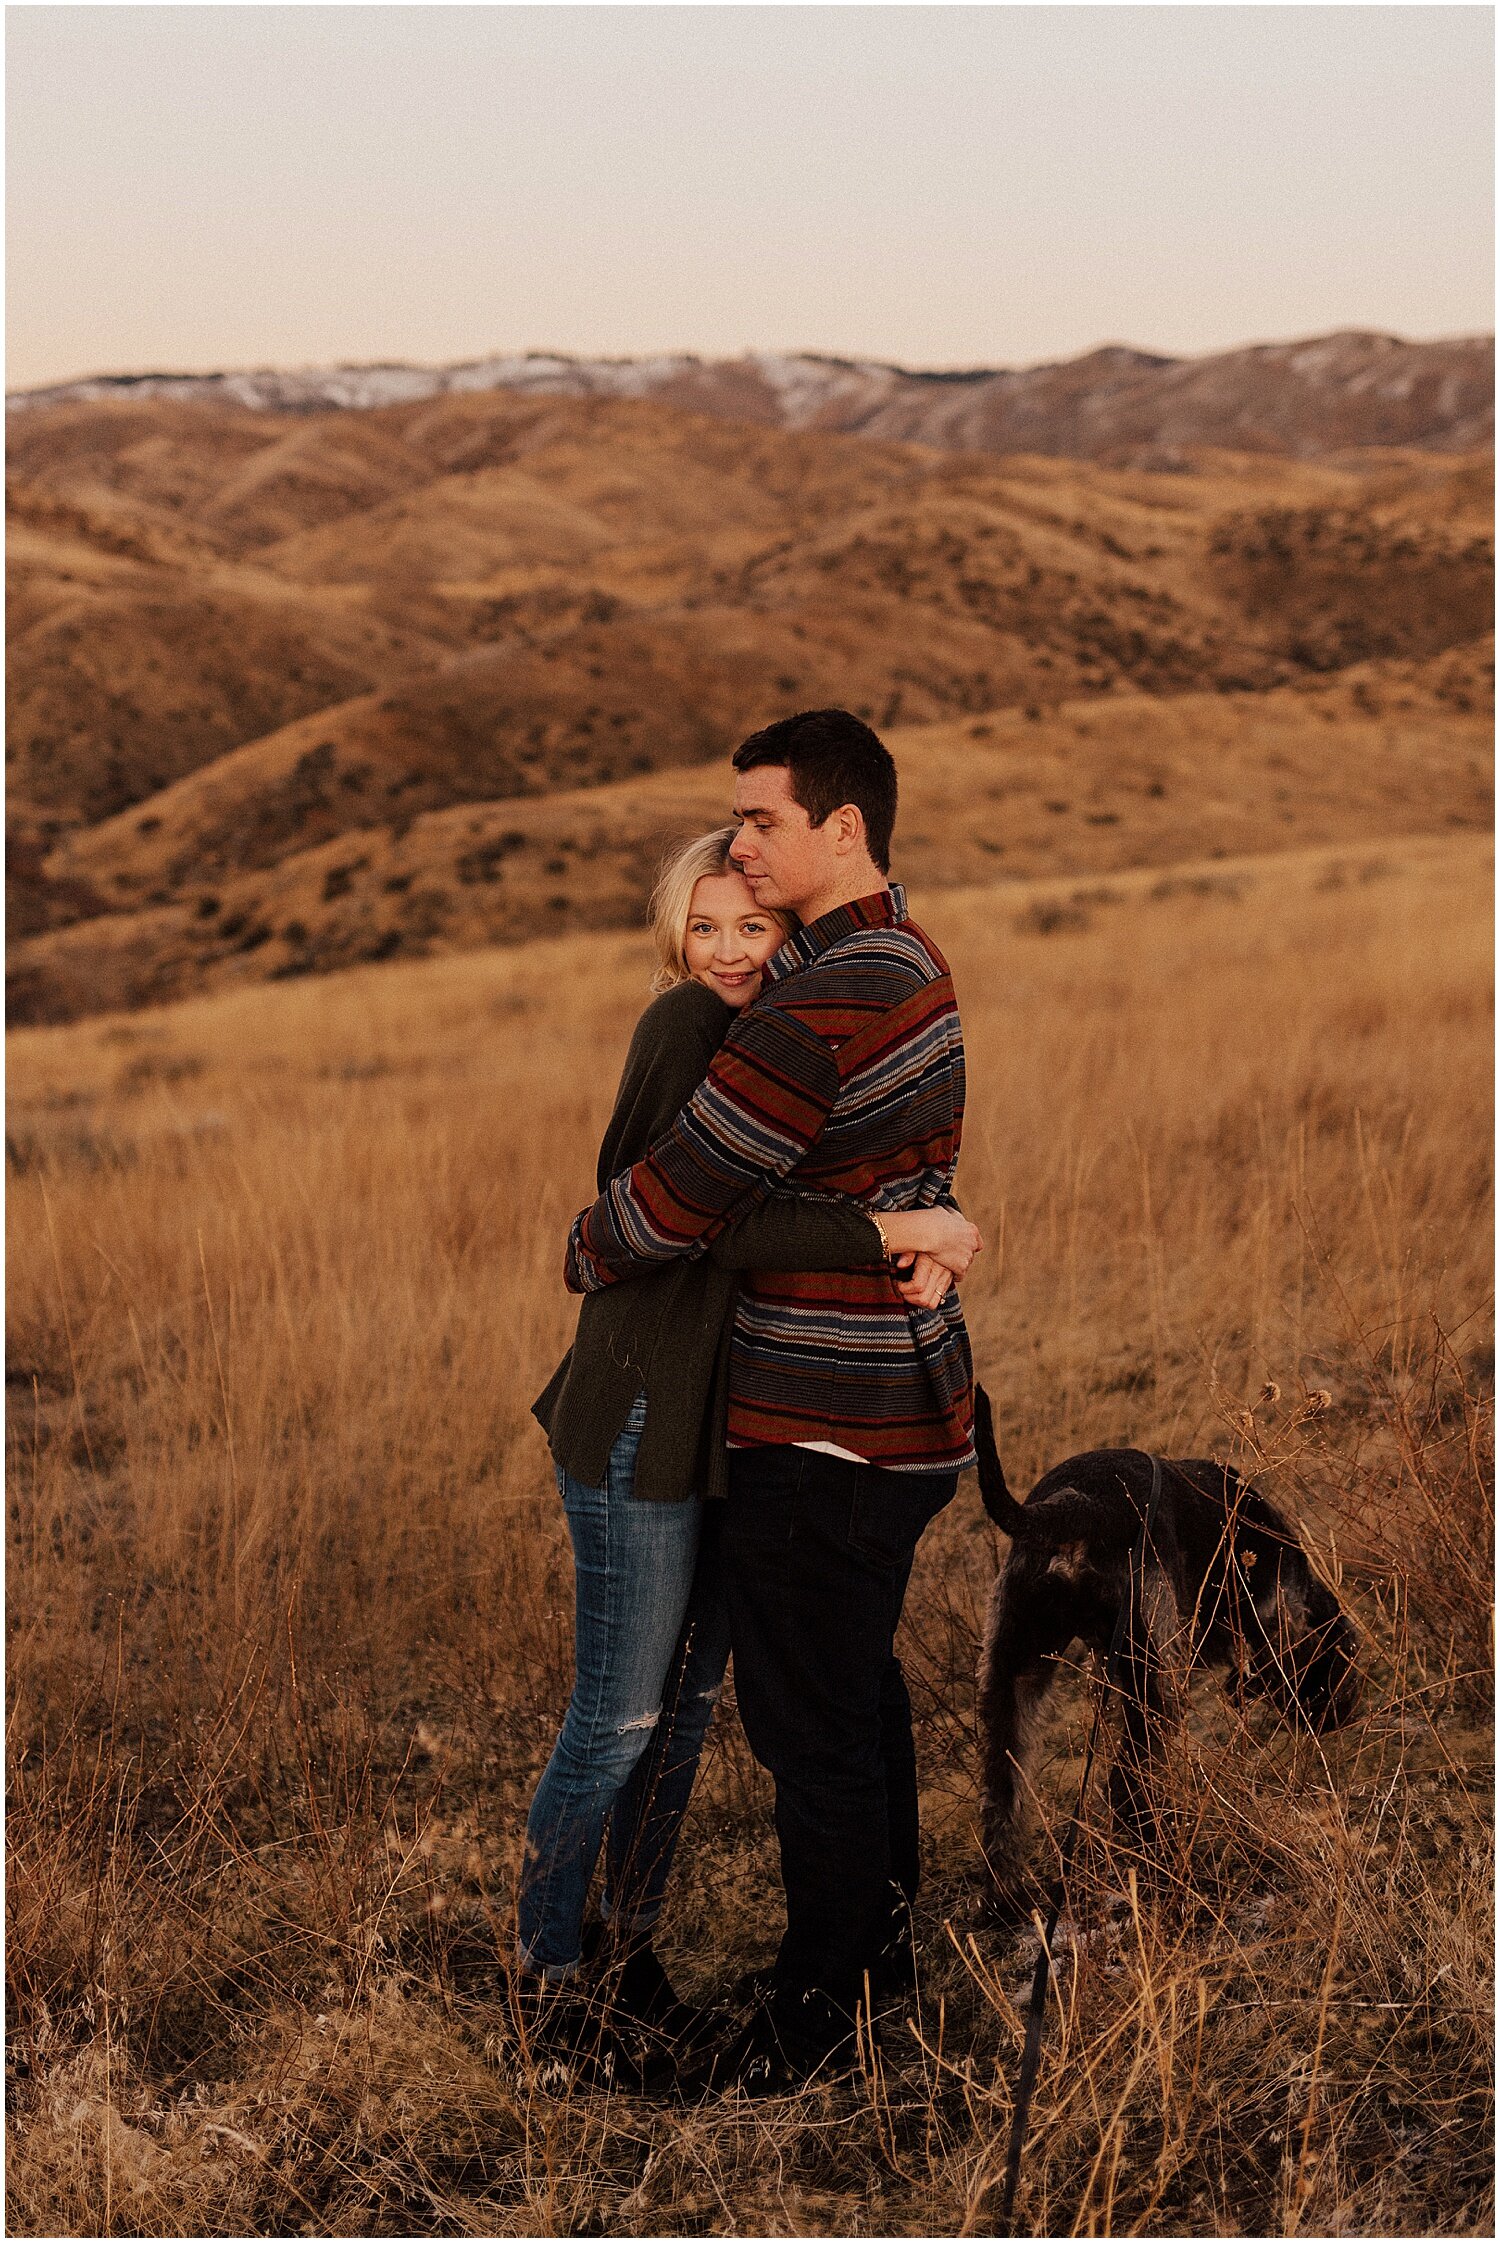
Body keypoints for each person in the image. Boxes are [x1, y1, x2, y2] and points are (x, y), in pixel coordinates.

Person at [522, 823, 981, 2082]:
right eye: (706, 926)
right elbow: (674, 1216)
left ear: (789, 933)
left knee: (680, 1714)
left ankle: (629, 1955)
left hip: (720, 1427)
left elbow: (803, 1179)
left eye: (753, 927)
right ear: (677, 933)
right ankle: (547, 1978)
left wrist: (915, 1224)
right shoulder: (685, 1028)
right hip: (638, 1412)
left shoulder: (787, 1024)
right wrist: (894, 1229)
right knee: (617, 1715)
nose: (729, 950)